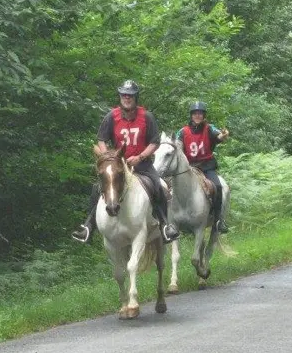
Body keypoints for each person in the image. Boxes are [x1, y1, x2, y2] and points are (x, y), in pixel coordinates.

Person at [71, 79, 180, 244]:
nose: (126, 98)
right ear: (120, 97)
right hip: (118, 164)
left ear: (136, 97)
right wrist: (107, 156)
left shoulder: (147, 117)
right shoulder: (111, 117)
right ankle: (88, 226)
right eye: (123, 95)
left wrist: (140, 157)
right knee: (96, 188)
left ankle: (165, 225)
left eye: (130, 95)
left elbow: (155, 142)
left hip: (142, 165)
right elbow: (101, 139)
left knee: (158, 186)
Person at [175, 101, 230, 233]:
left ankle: (218, 220)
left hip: (206, 167)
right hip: (189, 168)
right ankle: (170, 220)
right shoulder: (183, 131)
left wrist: (223, 135)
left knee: (218, 186)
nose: (197, 116)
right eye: (195, 114)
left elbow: (219, 135)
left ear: (203, 115)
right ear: (191, 115)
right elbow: (177, 147)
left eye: (200, 114)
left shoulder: (209, 128)